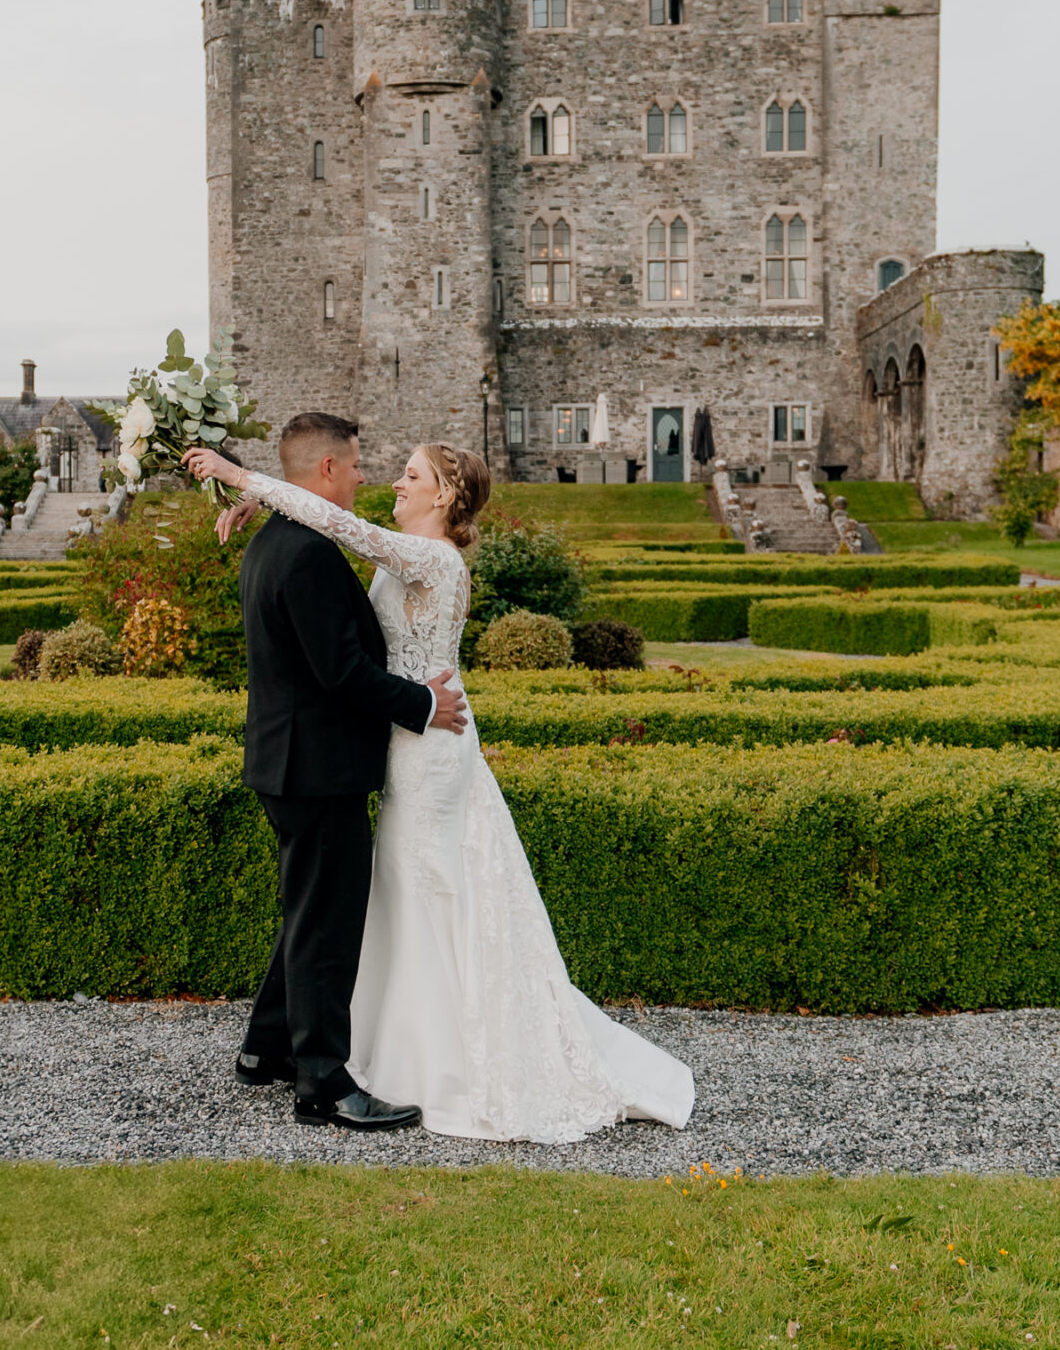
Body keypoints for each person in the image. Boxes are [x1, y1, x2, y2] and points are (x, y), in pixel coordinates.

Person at [187, 429, 695, 1144]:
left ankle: (440, 1058)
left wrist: (248, 482)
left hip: (431, 748)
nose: (392, 480)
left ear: (445, 495)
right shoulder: (406, 552)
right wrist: (273, 509)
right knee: (382, 892)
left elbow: (345, 525)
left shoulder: (435, 558)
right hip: (405, 736)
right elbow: (337, 538)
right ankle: (356, 1047)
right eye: (388, 468)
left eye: (410, 472)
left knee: (428, 888)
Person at [225, 412, 468, 1132]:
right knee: (326, 927)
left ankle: (264, 1047)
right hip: (318, 768)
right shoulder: (306, 552)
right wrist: (423, 703)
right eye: (359, 463)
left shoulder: (275, 541)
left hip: (287, 761)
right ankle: (323, 1083)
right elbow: (343, 673)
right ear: (327, 469)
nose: (368, 475)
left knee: (305, 910)